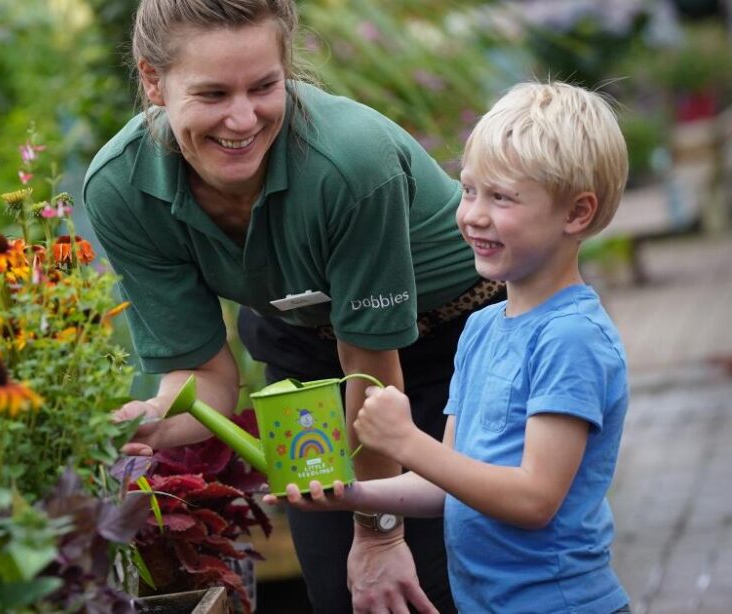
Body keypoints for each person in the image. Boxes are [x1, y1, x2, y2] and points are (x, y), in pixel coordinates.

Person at [82, 1, 505, 612]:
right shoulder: (121, 188)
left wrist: (379, 533)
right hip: (304, 350)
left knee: (439, 587)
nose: (242, 119)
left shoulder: (349, 162)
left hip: (453, 346)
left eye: (263, 87)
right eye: (212, 94)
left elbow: (371, 368)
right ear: (153, 80)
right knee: (339, 593)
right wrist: (155, 416)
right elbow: (204, 377)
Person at [268, 80, 632, 613]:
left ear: (576, 213)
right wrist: (349, 495)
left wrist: (406, 441)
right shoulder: (481, 329)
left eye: (501, 197)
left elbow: (534, 499)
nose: (473, 215)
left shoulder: (571, 338)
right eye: (468, 190)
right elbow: (448, 484)